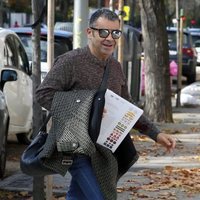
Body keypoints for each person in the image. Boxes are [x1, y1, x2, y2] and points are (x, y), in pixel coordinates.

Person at [36, 8, 176, 200]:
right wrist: (85, 107)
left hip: (104, 151)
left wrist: (156, 134)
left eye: (115, 32)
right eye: (103, 32)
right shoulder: (70, 62)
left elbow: (128, 107)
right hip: (75, 147)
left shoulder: (115, 68)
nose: (109, 38)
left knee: (78, 196)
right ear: (90, 33)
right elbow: (43, 94)